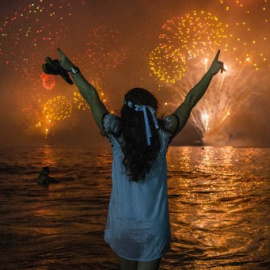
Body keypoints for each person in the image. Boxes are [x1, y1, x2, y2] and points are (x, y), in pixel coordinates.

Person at [56, 48, 225, 270]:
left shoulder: (114, 131)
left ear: (126, 110)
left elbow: (91, 96)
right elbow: (190, 99)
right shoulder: (164, 133)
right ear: (151, 111)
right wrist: (211, 72)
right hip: (154, 228)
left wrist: (71, 68)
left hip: (122, 227)